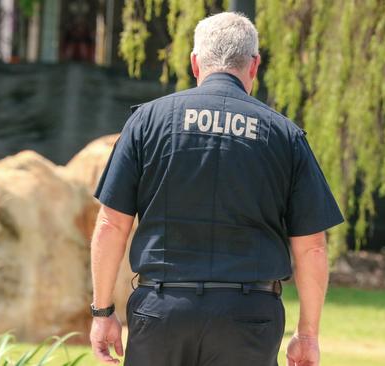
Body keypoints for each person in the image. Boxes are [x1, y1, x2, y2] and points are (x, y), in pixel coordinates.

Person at [88, 11, 344, 366]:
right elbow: (312, 247)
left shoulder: (146, 122)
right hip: (248, 319)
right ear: (254, 65)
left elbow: (111, 224)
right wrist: (308, 335)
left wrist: (102, 313)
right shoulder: (285, 136)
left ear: (195, 63)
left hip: (161, 312)